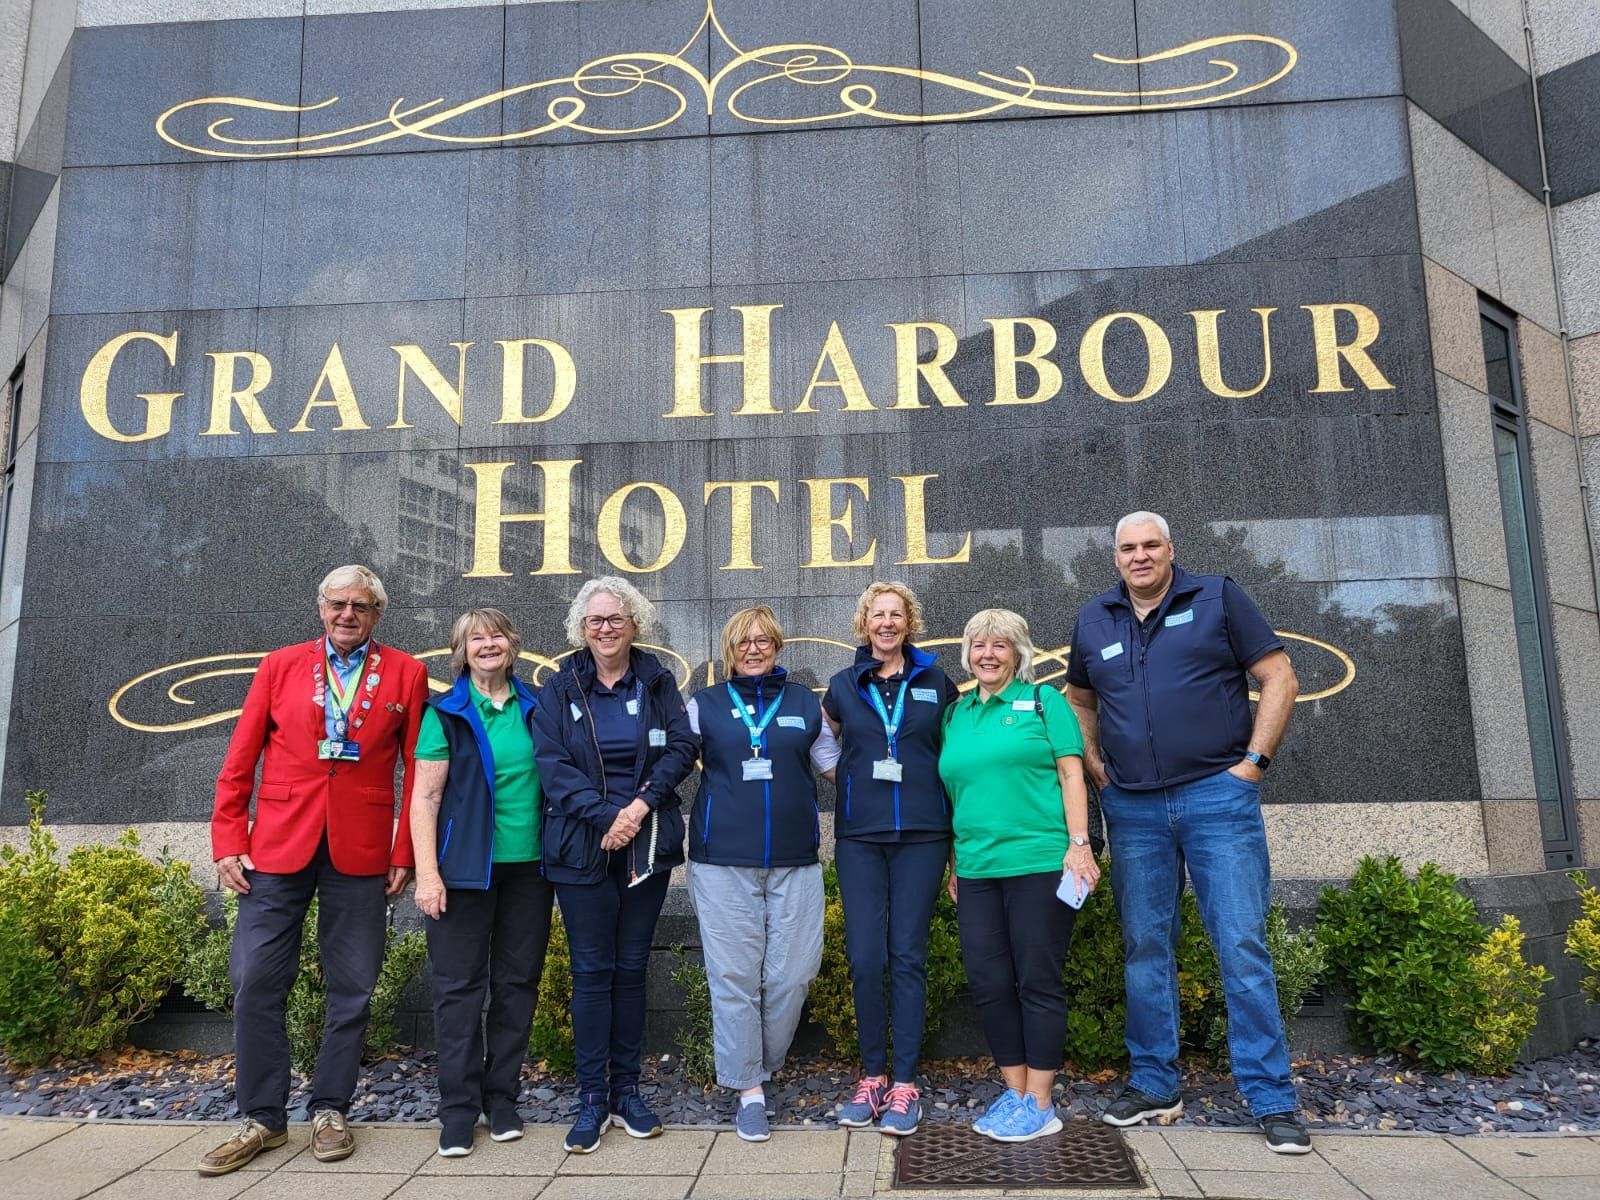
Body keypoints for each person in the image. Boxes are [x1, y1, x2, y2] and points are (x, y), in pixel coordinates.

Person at [1065, 511, 1308, 1154]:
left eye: (1150, 545)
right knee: (1147, 947)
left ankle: (1271, 1098)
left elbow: (1279, 676)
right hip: (1134, 809)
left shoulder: (1219, 597)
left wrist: (1251, 767)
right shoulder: (1094, 619)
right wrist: (1097, 770)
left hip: (1217, 801)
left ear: (1171, 550)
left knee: (1241, 946)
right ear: (1114, 557)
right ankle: (1153, 1082)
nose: (1139, 557)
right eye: (1127, 548)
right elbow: (1078, 701)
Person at [202, 565, 430, 1175]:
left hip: (361, 852)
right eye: (337, 604)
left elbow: (418, 773)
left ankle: (330, 1108)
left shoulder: (407, 672)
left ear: (377, 613)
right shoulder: (280, 665)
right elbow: (241, 755)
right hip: (275, 847)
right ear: (320, 607)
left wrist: (404, 851)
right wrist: (228, 837)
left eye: (360, 605)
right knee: (254, 980)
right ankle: (262, 1118)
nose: (347, 614)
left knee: (352, 987)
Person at [532, 577, 696, 1154]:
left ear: (635, 626)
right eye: (596, 620)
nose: (606, 628)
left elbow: (682, 747)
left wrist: (640, 807)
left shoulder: (657, 680)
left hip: (645, 848)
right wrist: (610, 818)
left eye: (616, 619)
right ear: (582, 628)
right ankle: (590, 1099)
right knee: (591, 970)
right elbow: (552, 767)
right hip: (580, 850)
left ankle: (627, 1090)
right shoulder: (558, 688)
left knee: (631, 968)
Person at [939, 609, 1099, 1143]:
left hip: (1038, 863)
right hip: (978, 869)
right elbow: (958, 794)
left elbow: (1072, 774)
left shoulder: (1044, 702)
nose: (988, 654)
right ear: (967, 654)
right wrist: (957, 863)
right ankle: (1014, 1092)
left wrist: (1080, 846)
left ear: (1019, 653)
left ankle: (1041, 1100)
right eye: (979, 645)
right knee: (988, 984)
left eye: (1000, 646)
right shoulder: (956, 713)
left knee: (1037, 981)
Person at [686, 605, 840, 1142]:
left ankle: (763, 1059)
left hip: (795, 856)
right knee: (733, 976)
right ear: (730, 650)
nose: (754, 649)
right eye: (744, 642)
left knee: (794, 971)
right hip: (721, 858)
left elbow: (835, 767)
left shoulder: (805, 704)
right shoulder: (702, 706)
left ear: (778, 647)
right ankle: (748, 1085)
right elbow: (667, 768)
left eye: (764, 641)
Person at [409, 608, 552, 1158]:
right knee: (458, 991)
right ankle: (458, 1110)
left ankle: (502, 1099)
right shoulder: (445, 713)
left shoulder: (539, 707)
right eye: (475, 638)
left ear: (513, 645)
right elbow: (424, 798)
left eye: (496, 635)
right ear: (461, 651)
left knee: (517, 985)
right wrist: (428, 873)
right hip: (464, 873)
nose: (487, 645)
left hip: (530, 870)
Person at [821, 581, 959, 1136]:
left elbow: (956, 751)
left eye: (895, 615)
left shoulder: (935, 682)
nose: (886, 623)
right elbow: (821, 741)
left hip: (924, 836)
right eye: (876, 615)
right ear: (864, 623)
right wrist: (846, 780)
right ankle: (871, 1075)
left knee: (907, 954)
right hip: (860, 837)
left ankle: (905, 1084)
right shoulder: (842, 686)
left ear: (909, 622)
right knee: (864, 957)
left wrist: (957, 846)